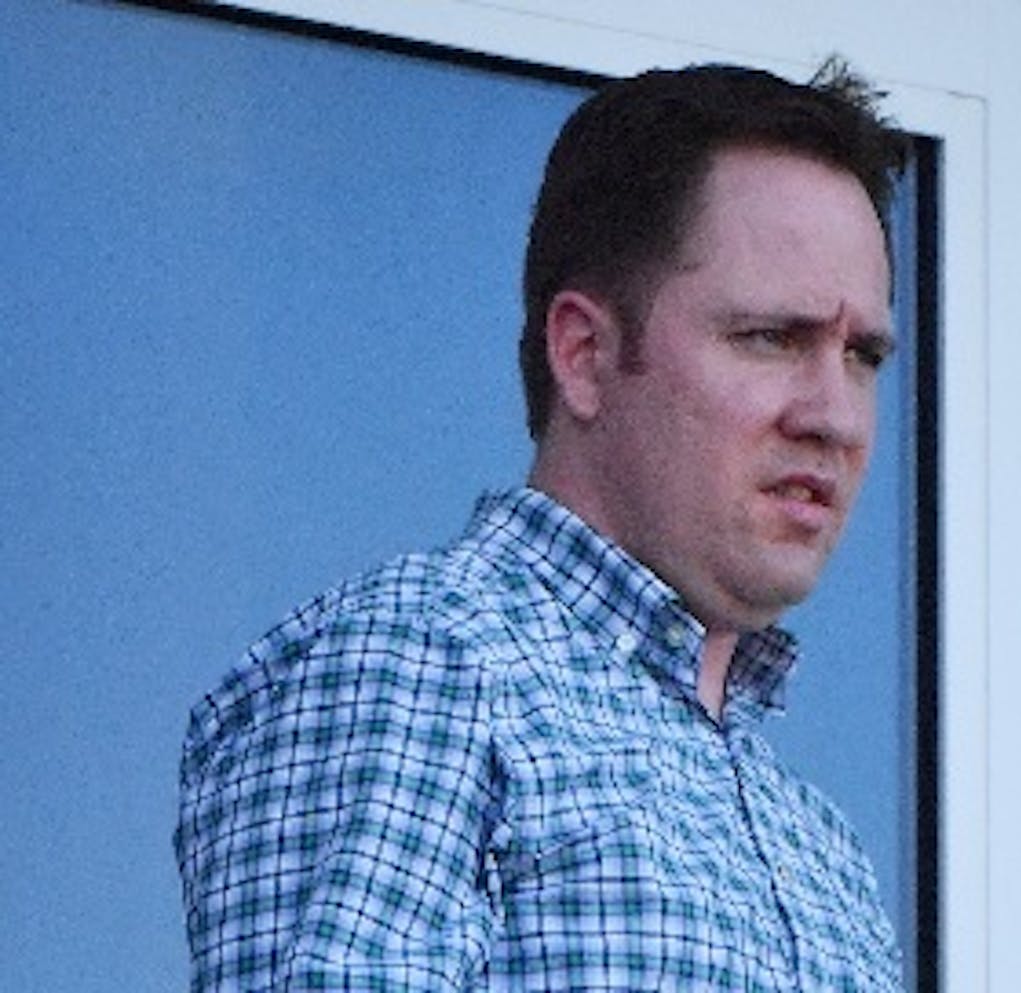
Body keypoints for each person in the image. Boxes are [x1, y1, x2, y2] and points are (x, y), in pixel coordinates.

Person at [175, 60, 907, 991]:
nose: (835, 415)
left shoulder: (820, 851)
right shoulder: (424, 661)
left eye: (863, 355)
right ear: (585, 353)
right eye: (771, 337)